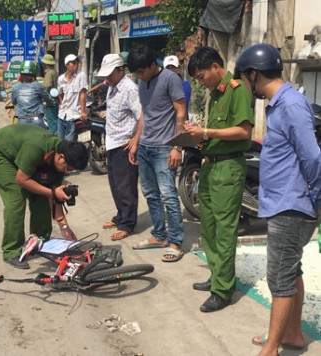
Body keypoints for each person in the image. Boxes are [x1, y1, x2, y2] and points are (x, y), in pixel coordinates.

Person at [235, 43, 321, 355]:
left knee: (280, 277)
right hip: (285, 203)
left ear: (253, 74)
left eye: (245, 78)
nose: (245, 85)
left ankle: (271, 348)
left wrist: (318, 200)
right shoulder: (280, 103)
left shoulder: (291, 105)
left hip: (292, 206)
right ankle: (293, 335)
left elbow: (313, 157)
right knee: (291, 270)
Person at [184, 47, 254, 312]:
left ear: (215, 66)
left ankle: (223, 290)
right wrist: (198, 135)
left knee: (225, 230)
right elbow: (215, 133)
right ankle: (217, 277)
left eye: (201, 76)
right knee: (209, 226)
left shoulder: (237, 91)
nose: (200, 81)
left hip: (228, 168)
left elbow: (242, 131)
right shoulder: (214, 95)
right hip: (210, 166)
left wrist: (205, 130)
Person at [0, 124, 89, 269]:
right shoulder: (37, 147)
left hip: (20, 158)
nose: (68, 172)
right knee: (17, 199)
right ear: (61, 157)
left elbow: (56, 198)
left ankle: (41, 242)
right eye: (68, 168)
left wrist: (65, 228)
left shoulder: (59, 162)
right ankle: (11, 250)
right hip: (0, 155)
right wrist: (51, 192)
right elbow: (21, 179)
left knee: (42, 197)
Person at [126, 45, 186, 262]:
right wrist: (136, 140)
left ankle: (175, 241)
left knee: (169, 195)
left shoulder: (171, 79)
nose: (139, 76)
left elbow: (181, 112)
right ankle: (159, 235)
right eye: (136, 73)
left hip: (164, 148)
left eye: (142, 71)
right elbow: (144, 113)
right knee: (150, 194)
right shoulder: (142, 81)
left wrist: (177, 146)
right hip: (145, 147)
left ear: (153, 65)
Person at [97, 53, 140, 241]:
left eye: (110, 74)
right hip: (111, 141)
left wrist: (135, 141)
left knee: (126, 186)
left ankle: (127, 223)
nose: (107, 78)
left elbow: (142, 116)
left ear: (121, 70)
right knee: (115, 184)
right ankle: (120, 215)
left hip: (124, 143)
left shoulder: (130, 89)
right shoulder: (112, 87)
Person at [11, 60, 54, 129]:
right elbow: (48, 99)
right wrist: (51, 103)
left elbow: (14, 102)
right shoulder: (38, 86)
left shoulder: (15, 87)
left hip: (22, 120)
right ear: (34, 73)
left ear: (21, 73)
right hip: (37, 121)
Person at [57, 54, 88, 141]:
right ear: (67, 65)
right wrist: (61, 104)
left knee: (69, 143)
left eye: (77, 62)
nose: (76, 65)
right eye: (73, 63)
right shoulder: (61, 79)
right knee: (60, 142)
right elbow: (60, 93)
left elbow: (82, 94)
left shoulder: (81, 75)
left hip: (74, 115)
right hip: (62, 115)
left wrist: (82, 111)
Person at [41, 53, 59, 134]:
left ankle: (53, 141)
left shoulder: (49, 73)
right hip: (55, 101)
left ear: (45, 64)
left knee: (52, 123)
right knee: (54, 121)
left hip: (50, 102)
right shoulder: (54, 72)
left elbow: (46, 85)